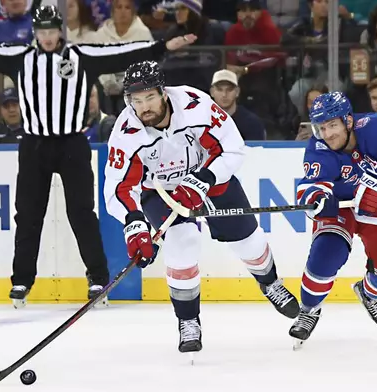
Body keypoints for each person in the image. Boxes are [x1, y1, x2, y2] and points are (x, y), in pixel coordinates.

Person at [0, 5, 197, 308]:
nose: (47, 37)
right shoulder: (21, 58)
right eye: (42, 32)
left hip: (72, 144)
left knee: (82, 214)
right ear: (36, 33)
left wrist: (163, 46)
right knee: (28, 215)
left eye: (52, 31)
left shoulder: (81, 56)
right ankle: (21, 280)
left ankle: (98, 277)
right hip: (34, 145)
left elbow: (121, 53)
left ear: (59, 31)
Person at [103, 61, 299, 354]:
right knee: (183, 242)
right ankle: (188, 320)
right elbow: (118, 187)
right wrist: (134, 224)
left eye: (149, 97)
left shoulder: (196, 105)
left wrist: (203, 179)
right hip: (160, 191)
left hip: (210, 177)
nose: (143, 106)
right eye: (136, 100)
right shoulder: (126, 132)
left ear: (163, 93)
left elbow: (233, 147)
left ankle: (270, 283)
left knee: (247, 238)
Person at [289, 91, 377, 345]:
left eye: (332, 125)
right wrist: (319, 198)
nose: (327, 134)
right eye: (321, 127)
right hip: (340, 207)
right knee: (325, 256)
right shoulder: (319, 147)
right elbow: (312, 184)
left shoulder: (374, 127)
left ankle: (368, 293)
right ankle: (308, 310)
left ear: (348, 121)